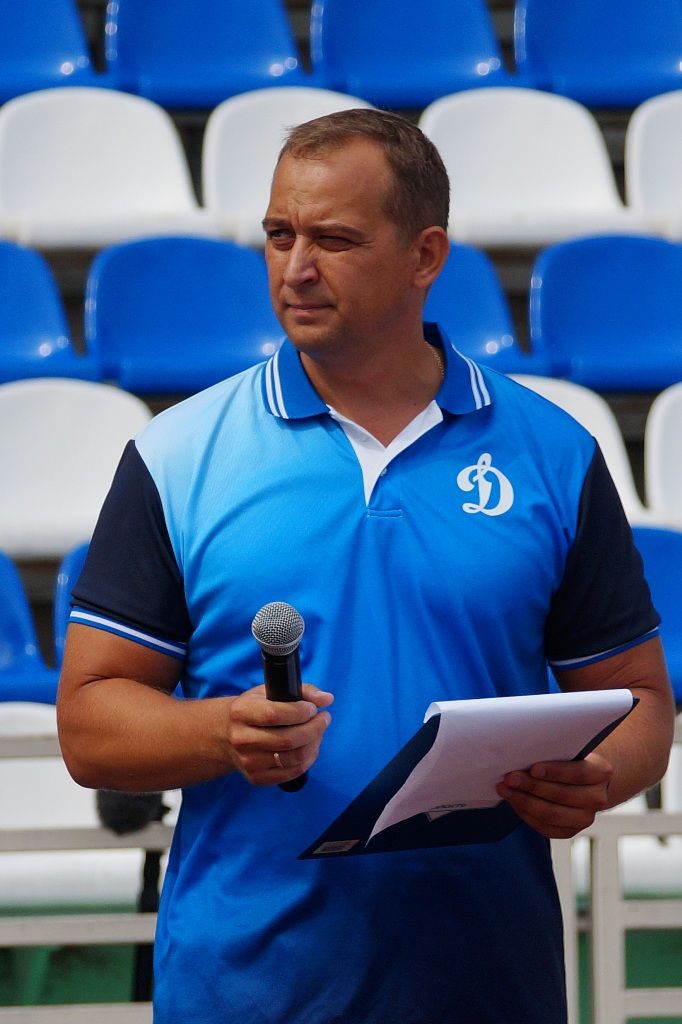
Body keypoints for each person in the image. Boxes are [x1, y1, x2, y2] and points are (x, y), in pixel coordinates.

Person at [57, 109, 674, 1024]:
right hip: (245, 992)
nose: (295, 268)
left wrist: (600, 775)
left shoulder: (554, 452)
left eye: (334, 240)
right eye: (279, 235)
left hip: (489, 988)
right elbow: (88, 725)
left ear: (426, 256)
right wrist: (222, 732)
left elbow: (642, 705)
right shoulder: (175, 455)